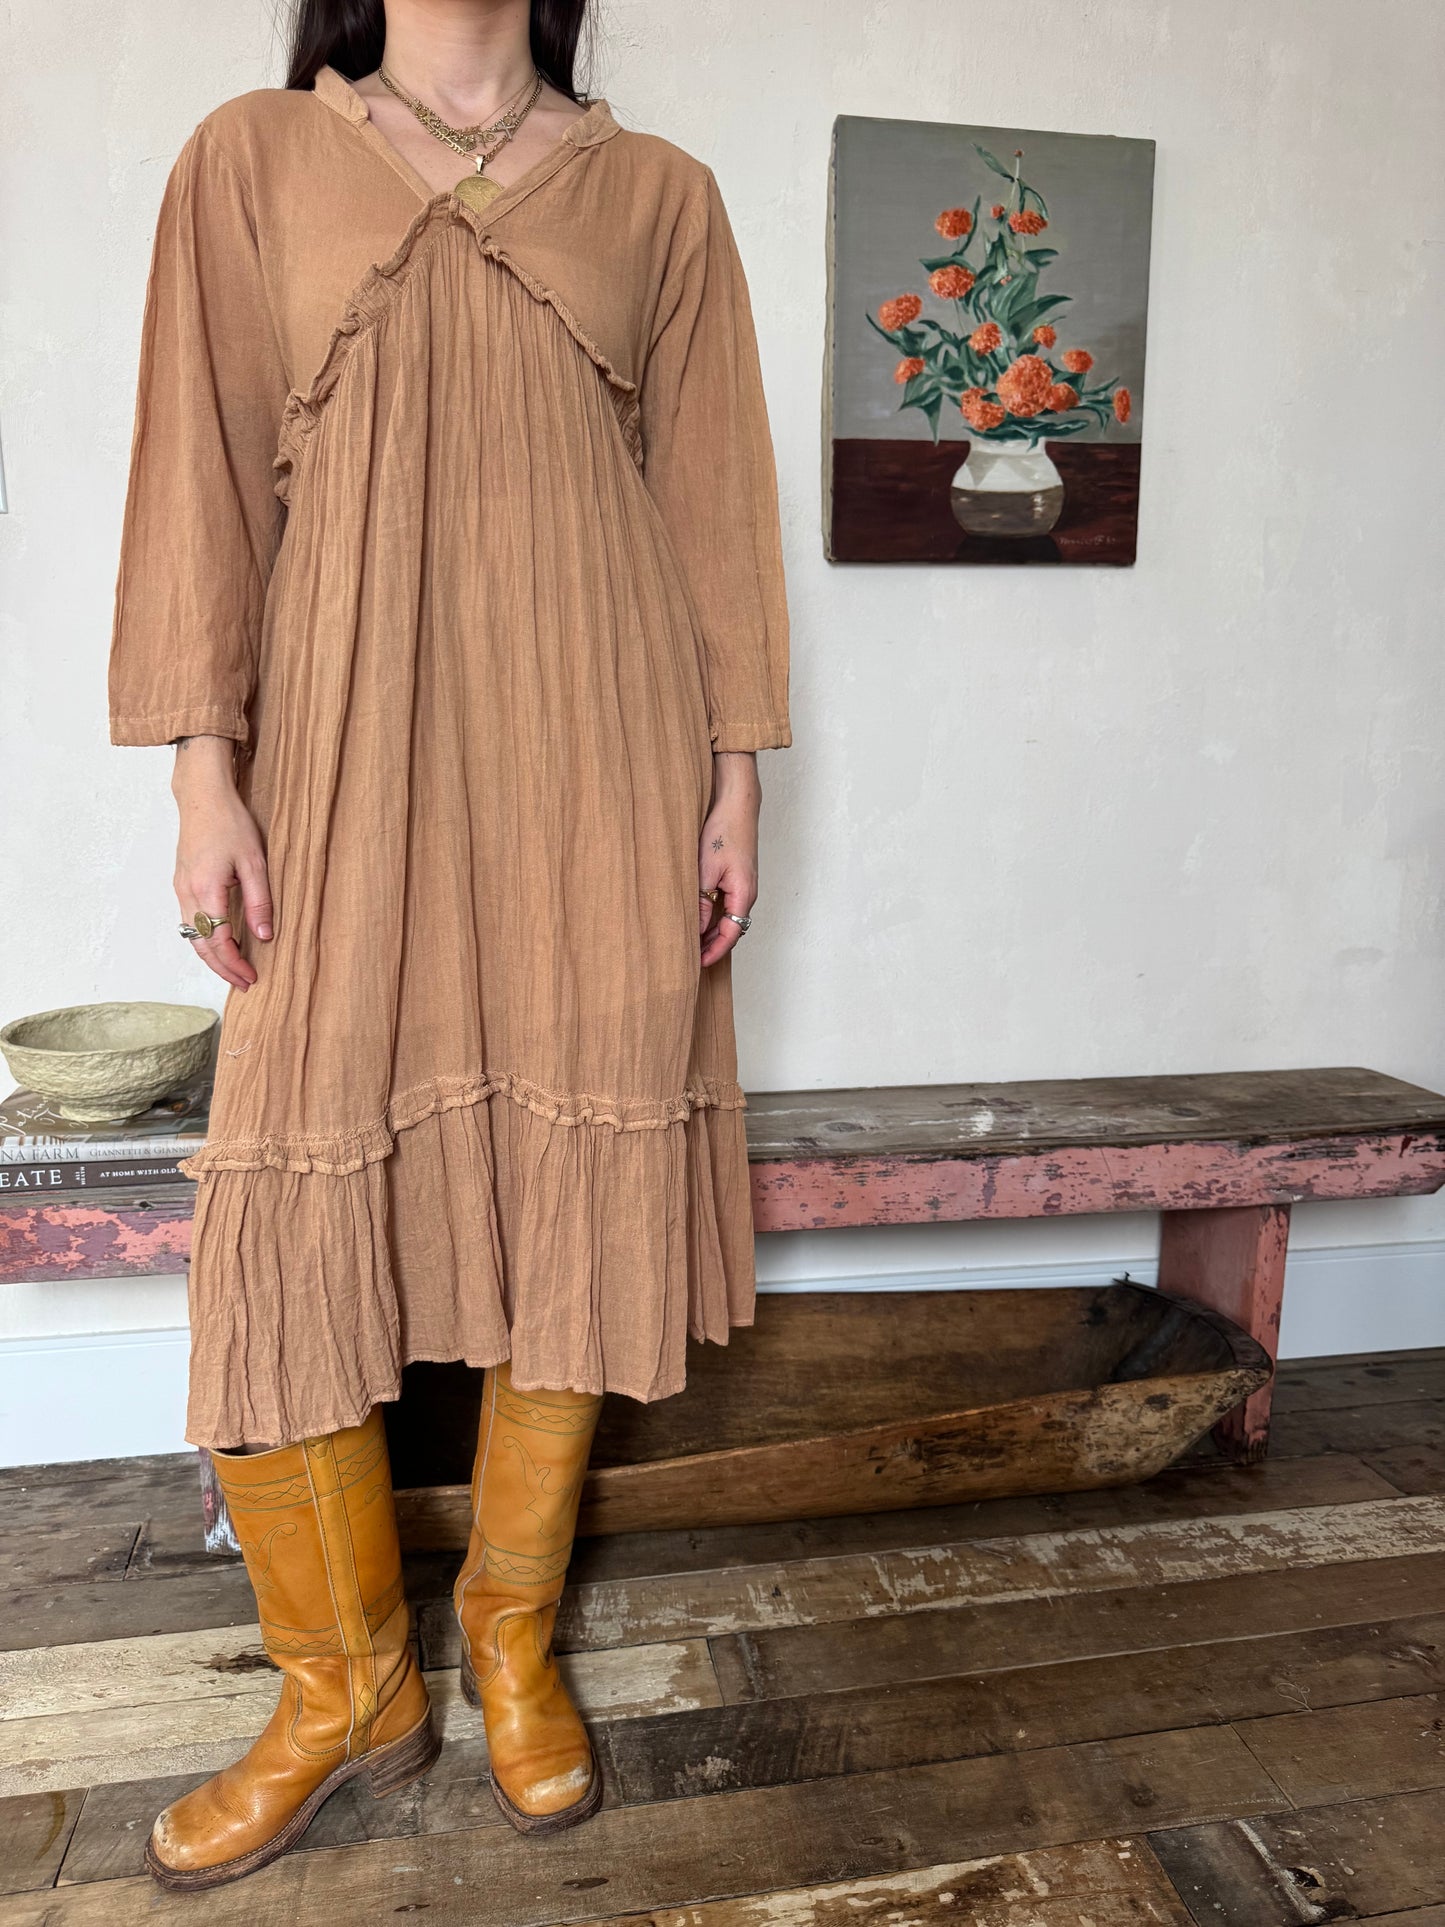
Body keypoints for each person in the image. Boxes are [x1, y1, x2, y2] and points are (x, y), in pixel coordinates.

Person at [108, 0, 790, 1890]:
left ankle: (506, 1637)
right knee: (292, 1181)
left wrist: (734, 777)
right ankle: (342, 1691)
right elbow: (196, 478)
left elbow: (713, 502)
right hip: (342, 744)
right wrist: (203, 775)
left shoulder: (659, 193)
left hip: (602, 750)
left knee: (571, 1171)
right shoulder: (252, 158)